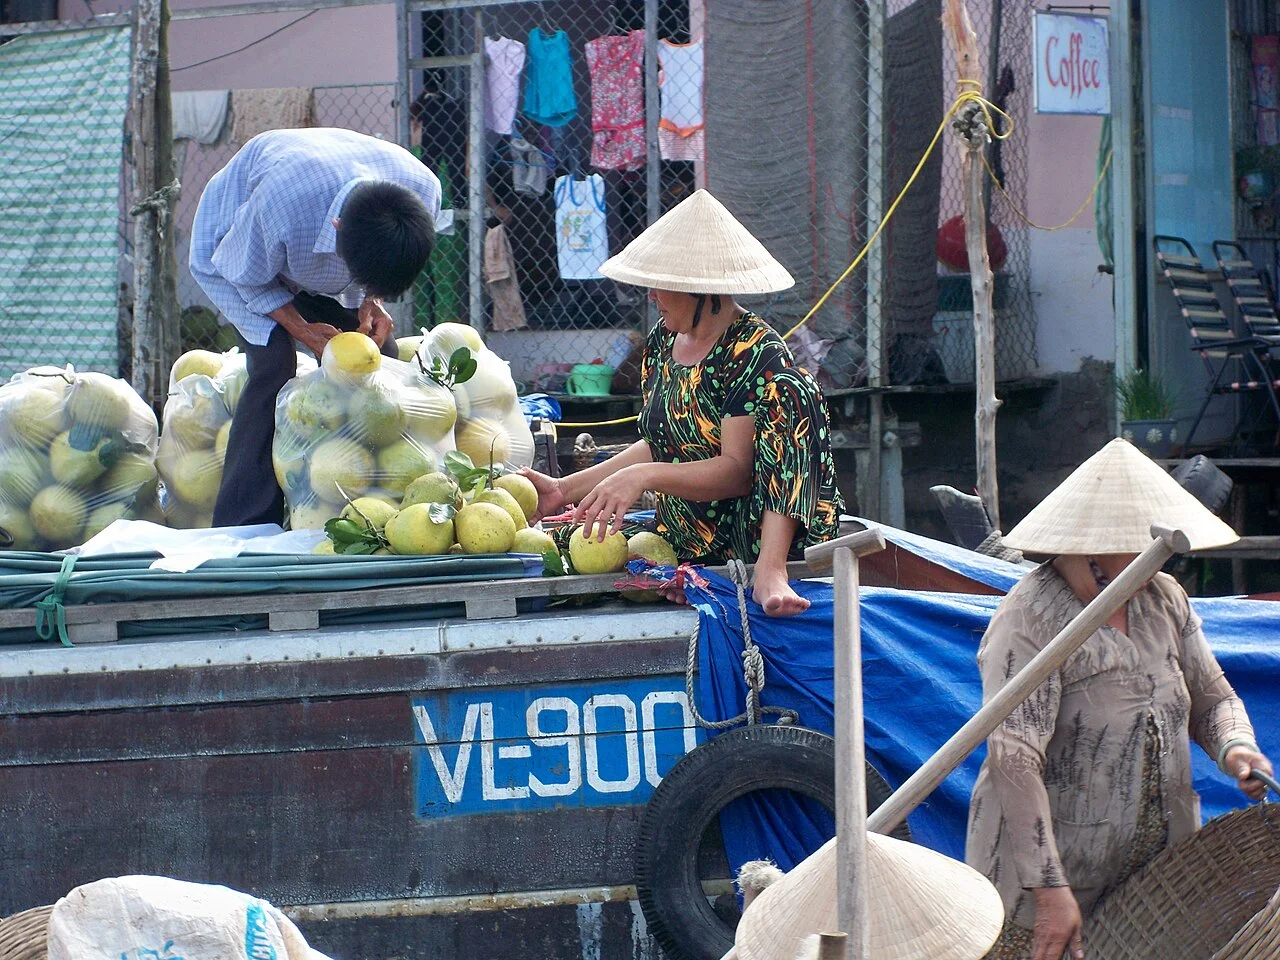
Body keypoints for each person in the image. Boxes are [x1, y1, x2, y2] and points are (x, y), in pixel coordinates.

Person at [965, 438, 1274, 960]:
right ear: (1087, 546)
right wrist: (1050, 892)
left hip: (1156, 879)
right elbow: (1013, 760)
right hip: (1048, 881)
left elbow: (1212, 695)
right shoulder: (1030, 619)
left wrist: (1236, 747)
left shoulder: (1164, 600)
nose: (1146, 564)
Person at [522, 190, 842, 616]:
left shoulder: (754, 351)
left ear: (699, 289)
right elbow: (663, 442)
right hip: (684, 532)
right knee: (566, 543)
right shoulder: (661, 343)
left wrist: (642, 476)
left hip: (750, 530)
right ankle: (690, 567)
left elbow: (735, 473)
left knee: (796, 390)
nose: (652, 296)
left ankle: (770, 571)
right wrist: (564, 491)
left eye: (661, 285)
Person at [189, 128, 441, 527]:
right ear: (338, 228)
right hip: (234, 251)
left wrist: (371, 302)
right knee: (274, 367)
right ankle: (245, 525)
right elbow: (245, 274)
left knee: (380, 359)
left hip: (305, 245)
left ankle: (366, 502)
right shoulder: (283, 202)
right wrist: (301, 328)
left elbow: (383, 265)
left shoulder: (423, 190)